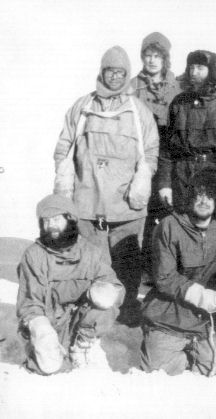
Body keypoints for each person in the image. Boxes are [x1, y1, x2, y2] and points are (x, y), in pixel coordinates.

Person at [53, 46, 159, 325]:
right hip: (88, 203)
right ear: (101, 72)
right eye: (110, 71)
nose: (114, 76)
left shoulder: (139, 111)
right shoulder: (83, 106)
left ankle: (126, 309)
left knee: (127, 263)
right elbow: (64, 148)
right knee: (89, 263)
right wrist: (64, 183)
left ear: (126, 75)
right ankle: (90, 310)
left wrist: (143, 179)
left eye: (120, 72)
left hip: (125, 206)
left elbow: (150, 151)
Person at [140, 171, 216, 376]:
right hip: (169, 317)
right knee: (158, 373)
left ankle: (195, 354)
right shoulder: (169, 226)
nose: (203, 201)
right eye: (197, 195)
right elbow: (164, 278)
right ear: (188, 198)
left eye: (209, 196)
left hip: (204, 322)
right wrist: (201, 295)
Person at [17, 194, 124, 375]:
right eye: (46, 221)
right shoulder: (33, 256)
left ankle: (84, 346)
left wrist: (101, 291)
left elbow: (114, 285)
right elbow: (30, 301)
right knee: (48, 368)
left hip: (82, 321)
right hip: (52, 324)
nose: (51, 226)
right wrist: (41, 329)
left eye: (56, 219)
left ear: (70, 219)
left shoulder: (90, 252)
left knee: (107, 297)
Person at [157, 50, 216, 222]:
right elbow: (166, 150)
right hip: (184, 178)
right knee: (184, 230)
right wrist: (165, 185)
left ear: (212, 71)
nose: (194, 73)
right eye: (191, 68)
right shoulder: (179, 103)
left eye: (200, 68)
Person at [130, 31, 183, 282]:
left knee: (170, 209)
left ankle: (166, 266)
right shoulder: (133, 86)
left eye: (157, 56)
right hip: (141, 155)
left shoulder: (177, 87)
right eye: (147, 56)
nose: (151, 61)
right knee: (146, 211)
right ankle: (142, 265)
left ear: (165, 59)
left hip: (170, 154)